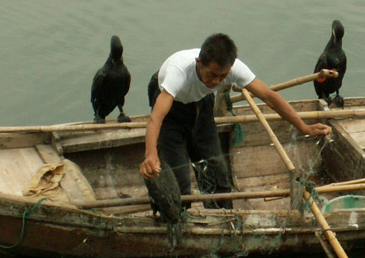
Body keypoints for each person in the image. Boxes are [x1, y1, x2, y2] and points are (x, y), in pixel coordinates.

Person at [140, 33, 333, 208]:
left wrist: (303, 127)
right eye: (212, 75)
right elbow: (156, 118)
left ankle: (223, 219)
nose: (216, 81)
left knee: (217, 170)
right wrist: (150, 155)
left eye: (222, 76)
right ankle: (178, 221)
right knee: (178, 182)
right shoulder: (178, 73)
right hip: (171, 108)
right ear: (199, 62)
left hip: (201, 103)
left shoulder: (234, 69)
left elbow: (269, 97)